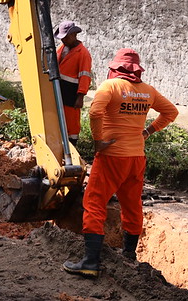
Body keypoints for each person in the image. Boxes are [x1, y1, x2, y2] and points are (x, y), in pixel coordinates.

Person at [63, 48, 178, 277]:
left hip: (112, 156)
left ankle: (90, 262)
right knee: (132, 204)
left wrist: (98, 141)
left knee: (94, 203)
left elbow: (95, 113)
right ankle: (129, 255)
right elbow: (171, 112)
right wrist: (147, 132)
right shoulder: (147, 91)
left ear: (115, 69)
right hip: (136, 157)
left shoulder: (111, 87)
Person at [54, 20, 93, 148]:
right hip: (59, 88)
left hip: (72, 92)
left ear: (73, 35)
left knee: (71, 121)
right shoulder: (62, 48)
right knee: (58, 117)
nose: (63, 40)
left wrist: (80, 96)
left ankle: (72, 146)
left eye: (65, 38)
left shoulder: (83, 53)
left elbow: (85, 76)